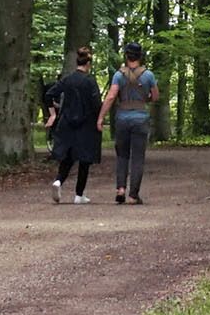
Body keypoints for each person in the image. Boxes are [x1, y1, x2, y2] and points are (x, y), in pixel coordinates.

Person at [42, 45, 103, 205]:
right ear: (88, 64)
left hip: (67, 123)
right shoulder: (90, 81)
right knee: (85, 159)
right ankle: (79, 195)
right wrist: (99, 118)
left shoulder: (67, 80)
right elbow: (96, 103)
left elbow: (49, 94)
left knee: (68, 158)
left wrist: (54, 114)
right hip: (86, 125)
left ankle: (58, 181)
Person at [101, 44, 159, 205]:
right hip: (140, 118)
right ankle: (133, 195)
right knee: (138, 158)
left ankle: (120, 189)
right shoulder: (148, 75)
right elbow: (155, 96)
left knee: (122, 155)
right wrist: (145, 97)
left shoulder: (118, 75)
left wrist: (101, 117)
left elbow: (111, 96)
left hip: (122, 118)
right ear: (140, 56)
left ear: (126, 56)